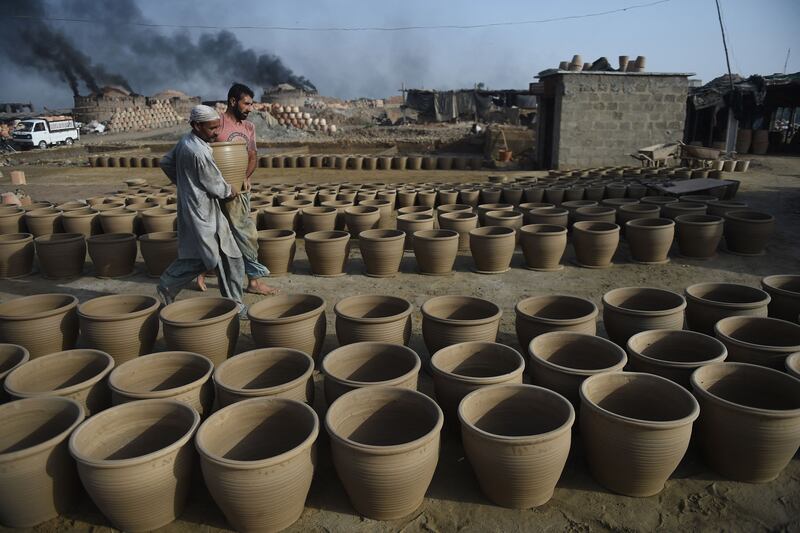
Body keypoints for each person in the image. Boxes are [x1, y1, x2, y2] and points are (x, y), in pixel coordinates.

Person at [156, 104, 247, 316]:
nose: (216, 132)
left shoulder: (186, 142)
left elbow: (165, 162)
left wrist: (184, 183)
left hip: (197, 205)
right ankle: (235, 305)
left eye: (218, 127)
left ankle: (168, 285)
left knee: (205, 256)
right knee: (223, 257)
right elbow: (216, 184)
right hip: (202, 210)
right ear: (196, 125)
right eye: (212, 128)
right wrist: (230, 190)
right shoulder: (197, 151)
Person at [195, 83, 280, 296]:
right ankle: (202, 269)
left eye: (251, 104)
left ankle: (253, 281)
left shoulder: (249, 128)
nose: (250, 108)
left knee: (246, 233)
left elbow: (252, 156)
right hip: (213, 189)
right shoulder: (217, 123)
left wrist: (245, 176)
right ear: (233, 102)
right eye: (247, 103)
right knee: (213, 232)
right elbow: (199, 153)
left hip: (238, 190)